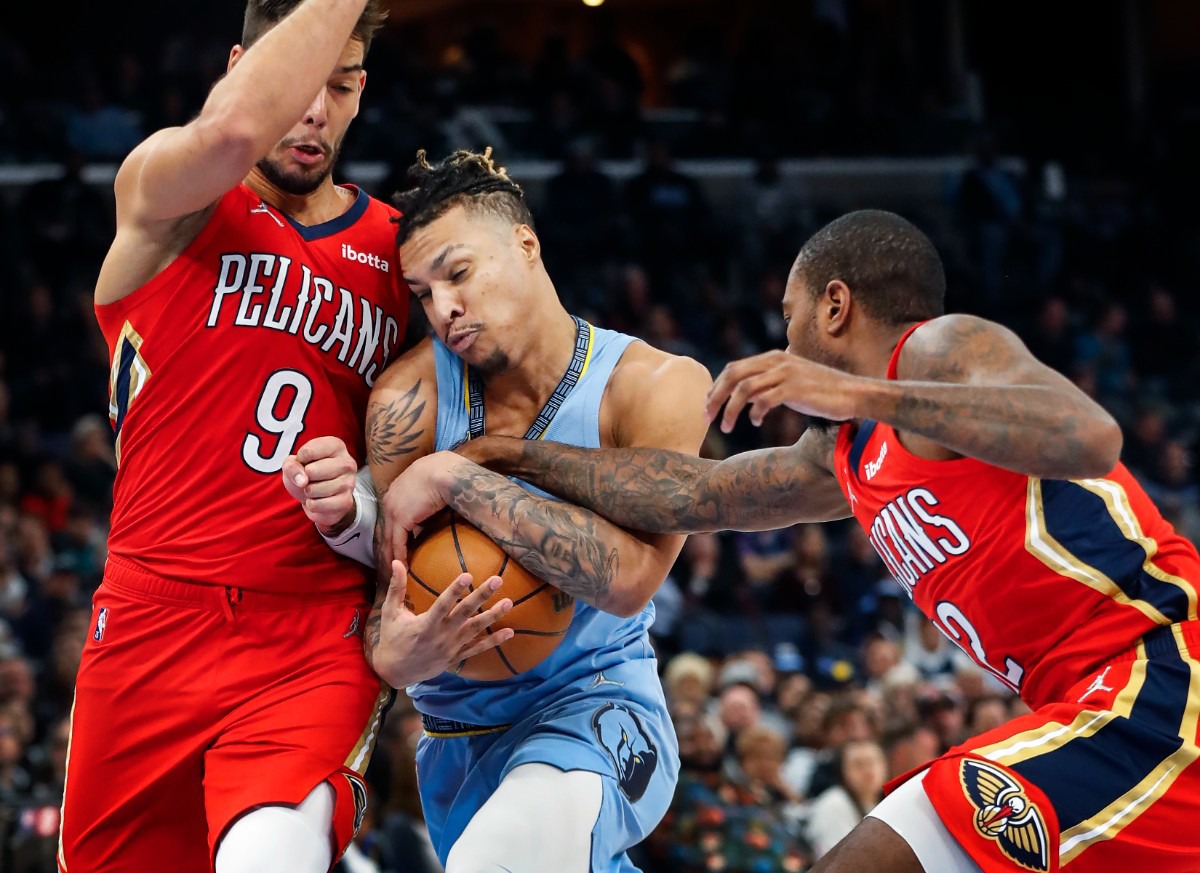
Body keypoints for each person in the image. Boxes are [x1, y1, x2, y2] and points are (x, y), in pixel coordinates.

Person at [420, 209, 1200, 871]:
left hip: (1160, 674)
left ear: (835, 306)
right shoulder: (848, 453)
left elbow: (1090, 434)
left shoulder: (940, 349)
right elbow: (697, 494)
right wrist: (513, 456)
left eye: (790, 316)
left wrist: (854, 389)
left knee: (891, 842)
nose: (783, 338)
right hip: (1087, 702)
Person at [68, 4, 511, 872]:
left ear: (360, 95)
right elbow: (233, 130)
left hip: (311, 634)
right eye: (296, 83)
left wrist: (366, 506)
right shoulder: (165, 196)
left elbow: (463, 451)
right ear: (244, 65)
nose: (312, 111)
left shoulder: (399, 255)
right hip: (149, 617)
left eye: (339, 87)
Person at [313, 147, 712, 872]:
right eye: (423, 293)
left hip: (598, 706)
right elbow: (386, 605)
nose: (443, 309)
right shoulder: (408, 401)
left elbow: (628, 577)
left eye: (458, 273)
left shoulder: (655, 386)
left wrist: (464, 477)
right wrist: (394, 653)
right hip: (454, 737)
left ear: (526, 245)